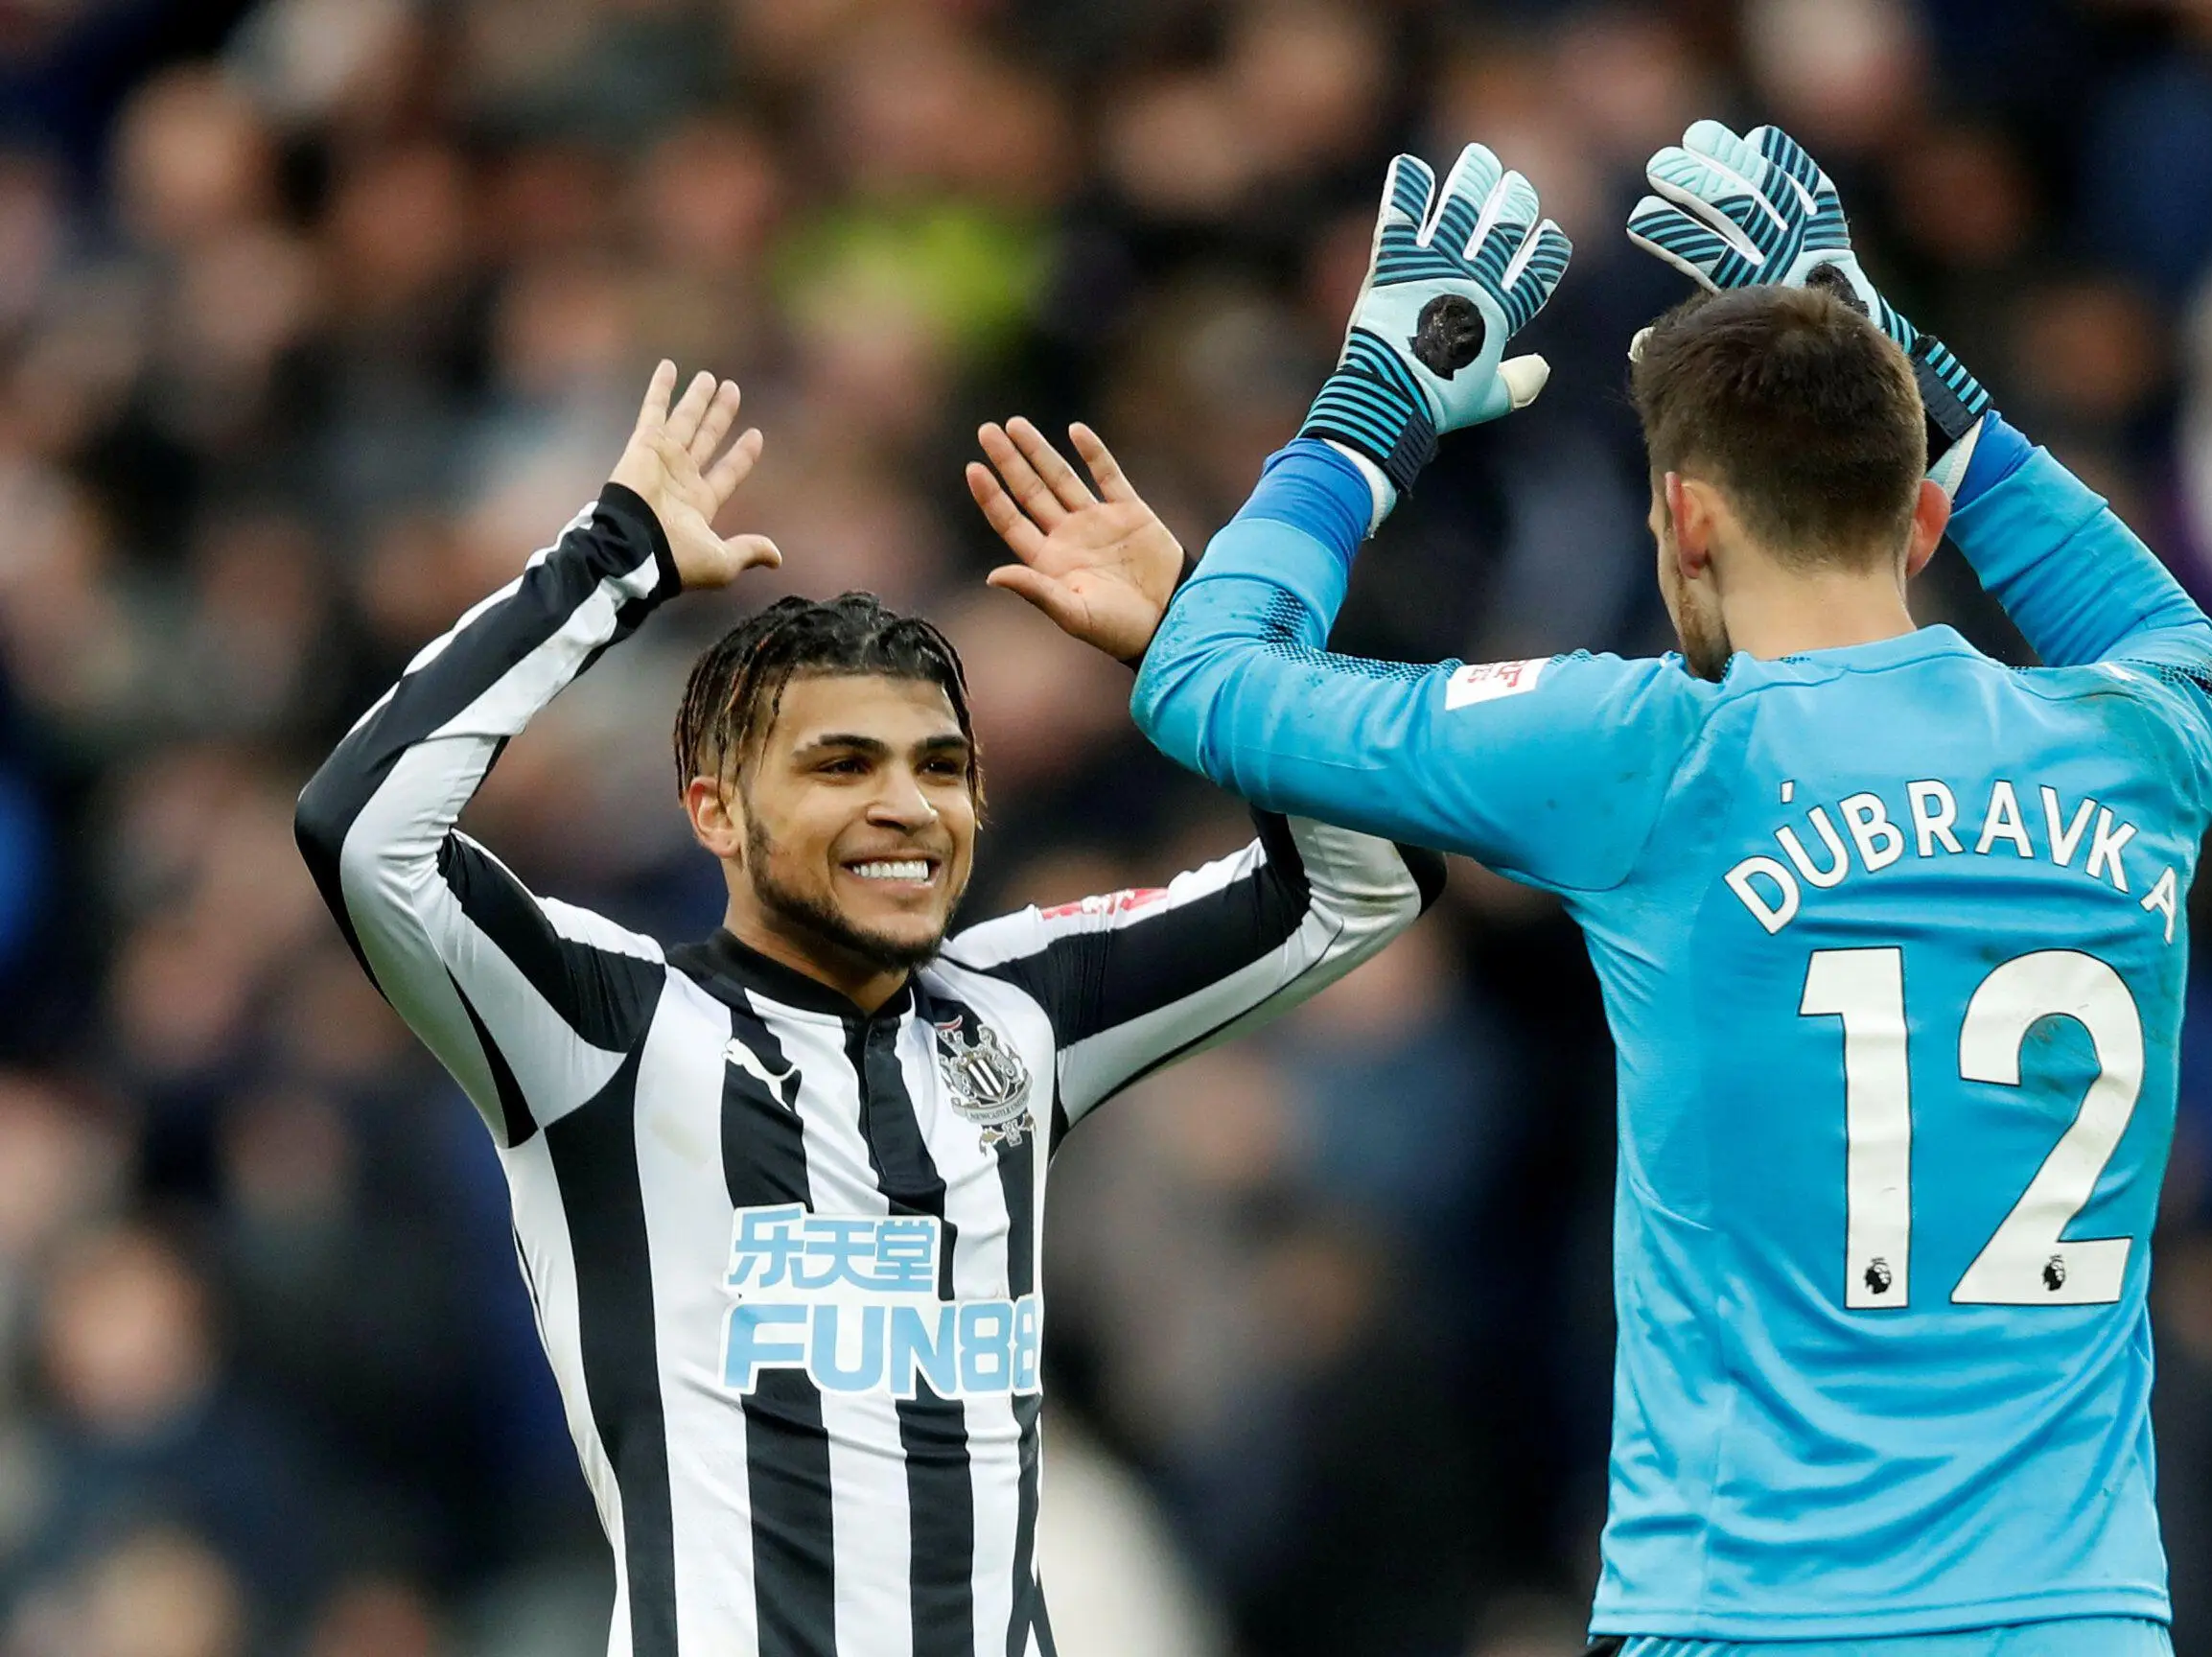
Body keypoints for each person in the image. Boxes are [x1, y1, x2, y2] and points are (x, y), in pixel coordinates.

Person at [969, 129, 2212, 1656]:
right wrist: (1900, 357)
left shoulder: (1652, 752)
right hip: (2079, 1618)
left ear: (1684, 520)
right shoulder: (2140, 746)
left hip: (1753, 1613)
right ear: (1922, 519)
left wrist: (1375, 403)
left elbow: (1214, 683)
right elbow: (2159, 623)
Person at [292, 362, 1441, 1657]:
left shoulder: (1021, 1014)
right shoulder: (603, 1033)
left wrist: (1200, 640)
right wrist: (611, 564)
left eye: (940, 767)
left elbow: (1372, 878)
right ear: (715, 808)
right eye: (842, 763)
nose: (907, 806)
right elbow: (364, 828)